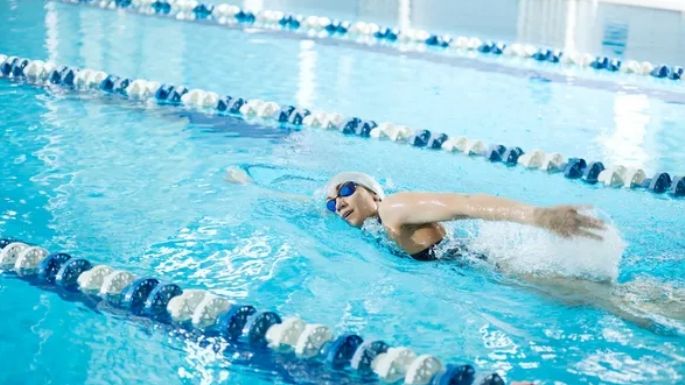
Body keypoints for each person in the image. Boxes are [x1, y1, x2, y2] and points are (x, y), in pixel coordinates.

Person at [322, 171, 605, 261]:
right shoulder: (378, 225)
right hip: (473, 267)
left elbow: (466, 204)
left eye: (346, 189)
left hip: (492, 270)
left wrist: (539, 216)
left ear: (374, 194)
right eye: (331, 203)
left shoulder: (392, 208)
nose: (339, 202)